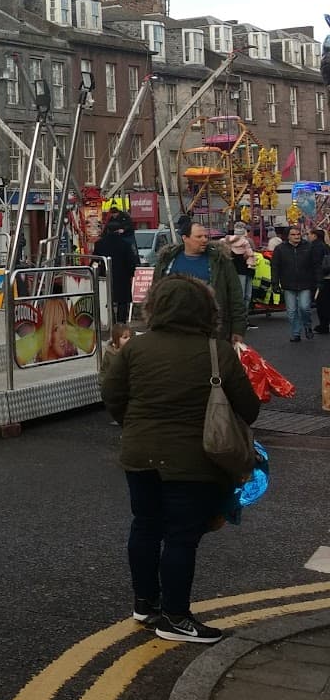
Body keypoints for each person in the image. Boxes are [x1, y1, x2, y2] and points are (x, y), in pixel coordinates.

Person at [99, 274, 260, 643]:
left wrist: (133, 422)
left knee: (144, 525)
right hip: (193, 459)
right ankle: (174, 617)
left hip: (139, 453)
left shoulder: (136, 348)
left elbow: (111, 392)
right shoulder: (215, 351)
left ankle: (145, 603)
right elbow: (248, 409)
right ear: (206, 309)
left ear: (156, 307)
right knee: (181, 537)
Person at [151, 221, 245, 345]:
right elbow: (155, 294)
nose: (204, 240)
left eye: (206, 236)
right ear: (185, 238)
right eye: (199, 237)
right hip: (173, 331)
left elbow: (235, 295)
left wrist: (238, 328)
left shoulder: (220, 261)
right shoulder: (168, 261)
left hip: (211, 331)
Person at [271, 225, 318, 342]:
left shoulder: (308, 247)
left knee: (304, 308)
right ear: (288, 236)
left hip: (305, 282)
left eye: (298, 234)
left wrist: (318, 281)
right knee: (291, 311)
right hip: (288, 283)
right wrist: (275, 283)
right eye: (293, 234)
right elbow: (275, 267)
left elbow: (316, 265)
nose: (296, 237)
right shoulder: (280, 249)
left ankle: (307, 326)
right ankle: (296, 333)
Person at [92, 211, 140, 325]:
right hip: (122, 277)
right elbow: (131, 262)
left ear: (107, 230)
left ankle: (110, 323)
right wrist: (131, 273)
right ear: (119, 230)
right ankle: (121, 323)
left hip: (105, 277)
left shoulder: (100, 244)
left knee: (106, 300)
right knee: (122, 302)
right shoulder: (125, 244)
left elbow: (94, 261)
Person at [225, 222, 258, 326]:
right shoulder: (230, 245)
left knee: (245, 296)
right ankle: (241, 320)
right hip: (244, 271)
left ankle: (243, 319)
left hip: (245, 271)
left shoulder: (246, 242)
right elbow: (253, 254)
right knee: (244, 296)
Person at [308, 227, 330, 335]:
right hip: (327, 277)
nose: (308, 236)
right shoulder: (325, 246)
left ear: (314, 236)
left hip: (321, 278)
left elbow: (316, 264)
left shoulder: (315, 247)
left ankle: (324, 325)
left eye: (309, 234)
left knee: (322, 303)